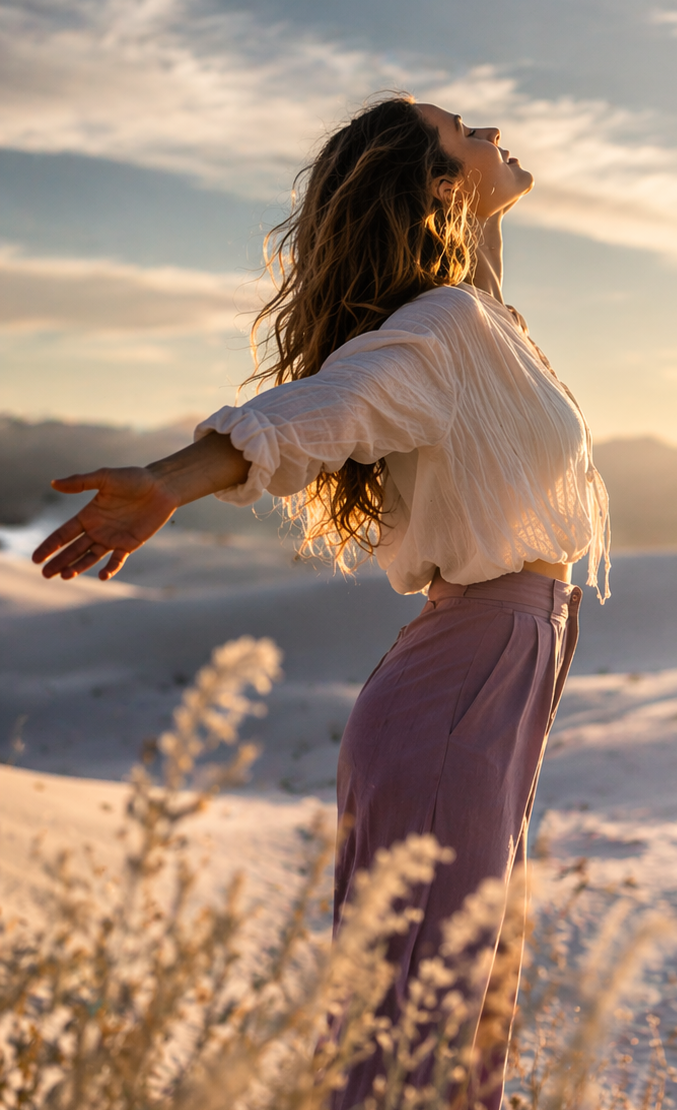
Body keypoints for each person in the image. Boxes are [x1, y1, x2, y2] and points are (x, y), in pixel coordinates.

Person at [32, 95, 610, 1108]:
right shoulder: (440, 332)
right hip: (459, 690)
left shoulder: (474, 320)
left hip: (486, 682)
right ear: (440, 184)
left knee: (463, 1016)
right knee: (411, 1033)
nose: (490, 128)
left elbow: (457, 283)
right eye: (463, 130)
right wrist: (175, 477)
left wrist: (476, 218)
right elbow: (316, 411)